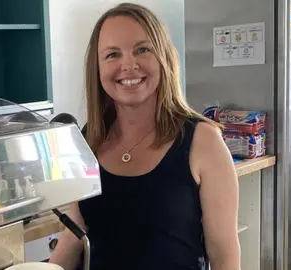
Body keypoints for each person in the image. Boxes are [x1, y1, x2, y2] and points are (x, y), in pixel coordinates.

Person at [49, 3, 240, 270]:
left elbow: (224, 257)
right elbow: (75, 232)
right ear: (98, 68)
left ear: (163, 58)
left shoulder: (203, 141)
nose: (129, 65)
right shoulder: (90, 137)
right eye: (112, 54)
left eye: (142, 49)